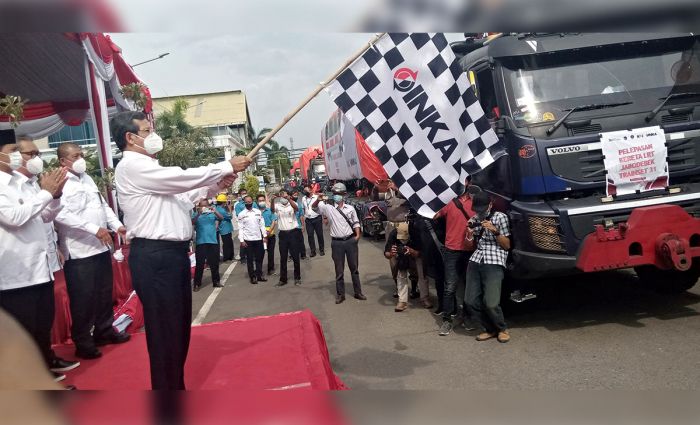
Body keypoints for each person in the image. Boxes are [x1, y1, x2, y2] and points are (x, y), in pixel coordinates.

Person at [111, 111, 249, 390]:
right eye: (147, 131)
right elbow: (182, 178)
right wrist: (224, 166)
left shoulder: (152, 170)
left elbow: (184, 197)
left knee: (176, 329)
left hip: (171, 256)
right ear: (130, 137)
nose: (153, 136)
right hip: (155, 255)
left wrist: (215, 186)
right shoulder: (133, 167)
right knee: (165, 334)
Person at [0, 128, 71, 382]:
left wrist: (55, 196)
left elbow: (44, 216)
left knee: (42, 325)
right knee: (24, 330)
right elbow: (15, 218)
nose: (19, 156)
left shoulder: (23, 183)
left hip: (40, 268)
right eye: (13, 151)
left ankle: (43, 369)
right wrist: (45, 193)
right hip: (15, 274)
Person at [53, 142, 130, 359]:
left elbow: (102, 205)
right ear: (62, 161)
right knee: (83, 299)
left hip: (100, 247)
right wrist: (93, 229)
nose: (81, 159)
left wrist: (117, 225)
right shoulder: (59, 183)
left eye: (81, 155)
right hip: (79, 251)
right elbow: (60, 215)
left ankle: (104, 330)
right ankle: (83, 340)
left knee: (104, 293)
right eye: (75, 156)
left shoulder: (86, 178)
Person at [465, 192, 512, 343]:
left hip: (495, 259)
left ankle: (501, 328)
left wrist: (495, 230)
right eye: (477, 209)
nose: (479, 212)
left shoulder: (500, 217)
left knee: (491, 302)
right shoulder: (474, 219)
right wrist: (469, 235)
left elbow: (507, 246)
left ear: (490, 205)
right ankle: (489, 329)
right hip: (476, 259)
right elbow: (468, 245)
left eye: (482, 208)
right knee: (470, 301)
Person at [373, 179, 427, 306]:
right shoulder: (388, 193)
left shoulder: (407, 190)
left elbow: (414, 199)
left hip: (405, 226)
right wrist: (375, 188)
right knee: (393, 258)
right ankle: (398, 287)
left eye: (393, 180)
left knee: (411, 257)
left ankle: (414, 288)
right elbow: (374, 198)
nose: (390, 182)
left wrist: (398, 188)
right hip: (391, 227)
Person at [434, 180, 476, 336]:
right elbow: (435, 214)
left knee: (468, 287)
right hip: (452, 250)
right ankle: (447, 320)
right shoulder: (449, 203)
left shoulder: (475, 203)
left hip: (471, 250)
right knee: (450, 287)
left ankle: (467, 318)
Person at [311, 182, 365, 304]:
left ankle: (358, 292)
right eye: (335, 193)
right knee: (339, 270)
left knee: (354, 268)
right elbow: (314, 208)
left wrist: (357, 236)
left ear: (344, 195)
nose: (337, 196)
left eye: (339, 194)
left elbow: (356, 222)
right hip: (337, 243)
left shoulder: (350, 208)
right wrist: (317, 200)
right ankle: (340, 295)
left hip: (350, 241)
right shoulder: (328, 208)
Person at [384, 222, 421, 312]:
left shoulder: (415, 234)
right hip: (400, 258)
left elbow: (420, 253)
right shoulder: (393, 234)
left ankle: (415, 290)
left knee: (416, 273)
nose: (403, 241)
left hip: (413, 256)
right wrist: (391, 253)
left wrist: (412, 251)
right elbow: (386, 253)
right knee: (401, 276)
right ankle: (402, 301)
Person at [191, 198, 224, 291]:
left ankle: (216, 281)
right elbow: (192, 222)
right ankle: (197, 284)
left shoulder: (212, 213)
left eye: (206, 205)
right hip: (201, 242)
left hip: (212, 241)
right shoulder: (196, 214)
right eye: (202, 205)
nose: (205, 207)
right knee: (200, 264)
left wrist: (214, 211)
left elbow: (221, 218)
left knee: (214, 263)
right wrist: (199, 214)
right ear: (199, 206)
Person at [271, 191, 302, 286]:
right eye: (282, 195)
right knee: (283, 257)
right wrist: (272, 199)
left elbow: (296, 209)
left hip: (293, 233)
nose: (283, 197)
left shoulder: (293, 203)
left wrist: (289, 198)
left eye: (285, 195)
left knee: (295, 256)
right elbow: (272, 210)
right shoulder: (277, 205)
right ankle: (283, 279)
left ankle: (297, 278)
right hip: (283, 234)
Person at [237, 195, 267, 284]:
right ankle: (252, 277)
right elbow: (240, 228)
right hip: (248, 240)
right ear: (244, 203)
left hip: (258, 238)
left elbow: (262, 225)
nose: (248, 203)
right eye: (246, 202)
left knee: (259, 258)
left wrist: (264, 236)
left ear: (253, 202)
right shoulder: (241, 214)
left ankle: (259, 275)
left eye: (250, 202)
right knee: (250, 259)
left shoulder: (258, 212)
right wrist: (241, 240)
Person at [301, 184, 325, 257]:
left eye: (306, 190)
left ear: (311, 190)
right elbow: (303, 208)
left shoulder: (317, 197)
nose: (305, 192)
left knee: (319, 235)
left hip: (317, 218)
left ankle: (321, 250)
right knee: (310, 236)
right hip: (308, 220)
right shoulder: (303, 198)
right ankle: (313, 251)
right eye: (304, 190)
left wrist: (325, 217)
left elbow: (322, 208)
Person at [234, 188, 257, 262]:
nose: (244, 194)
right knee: (243, 241)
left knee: (253, 241)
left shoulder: (254, 203)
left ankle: (253, 256)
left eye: (245, 193)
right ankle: (243, 257)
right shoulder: (238, 205)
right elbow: (238, 215)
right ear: (240, 195)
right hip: (244, 225)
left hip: (253, 224)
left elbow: (257, 212)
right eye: (243, 193)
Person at [258, 193, 278, 276]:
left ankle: (270, 269)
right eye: (260, 201)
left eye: (263, 200)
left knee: (270, 253)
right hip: (259, 236)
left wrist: (270, 230)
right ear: (257, 202)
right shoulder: (255, 212)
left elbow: (274, 220)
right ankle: (259, 271)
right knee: (260, 253)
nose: (261, 202)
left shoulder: (270, 210)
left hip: (270, 234)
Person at [215, 193, 234, 261]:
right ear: (223, 202)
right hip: (225, 229)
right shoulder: (222, 210)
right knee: (227, 244)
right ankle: (227, 257)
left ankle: (229, 256)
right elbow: (230, 216)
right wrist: (230, 208)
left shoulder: (218, 208)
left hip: (225, 228)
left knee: (228, 243)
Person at [291, 189, 307, 259]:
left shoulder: (299, 204)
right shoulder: (287, 204)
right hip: (290, 227)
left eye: (297, 195)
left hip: (298, 226)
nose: (296, 196)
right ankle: (292, 255)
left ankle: (303, 254)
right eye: (294, 195)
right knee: (291, 243)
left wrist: (303, 225)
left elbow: (301, 215)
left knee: (300, 241)